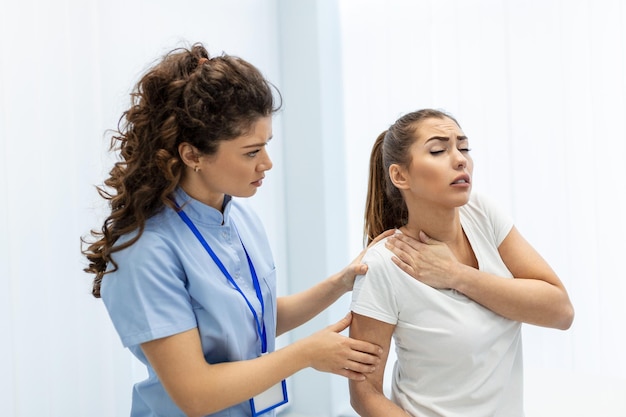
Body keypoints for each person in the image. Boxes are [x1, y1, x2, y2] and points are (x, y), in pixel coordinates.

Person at [81, 42, 389, 417]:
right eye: (251, 152)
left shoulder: (239, 217)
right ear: (192, 155)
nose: (267, 163)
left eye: (266, 146)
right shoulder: (146, 251)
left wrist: (341, 282)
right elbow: (195, 395)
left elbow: (253, 320)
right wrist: (306, 354)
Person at [348, 109, 574, 417]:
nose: (460, 159)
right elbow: (365, 393)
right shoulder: (385, 265)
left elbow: (560, 312)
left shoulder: (482, 215)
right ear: (400, 175)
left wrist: (457, 275)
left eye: (464, 147)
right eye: (439, 150)